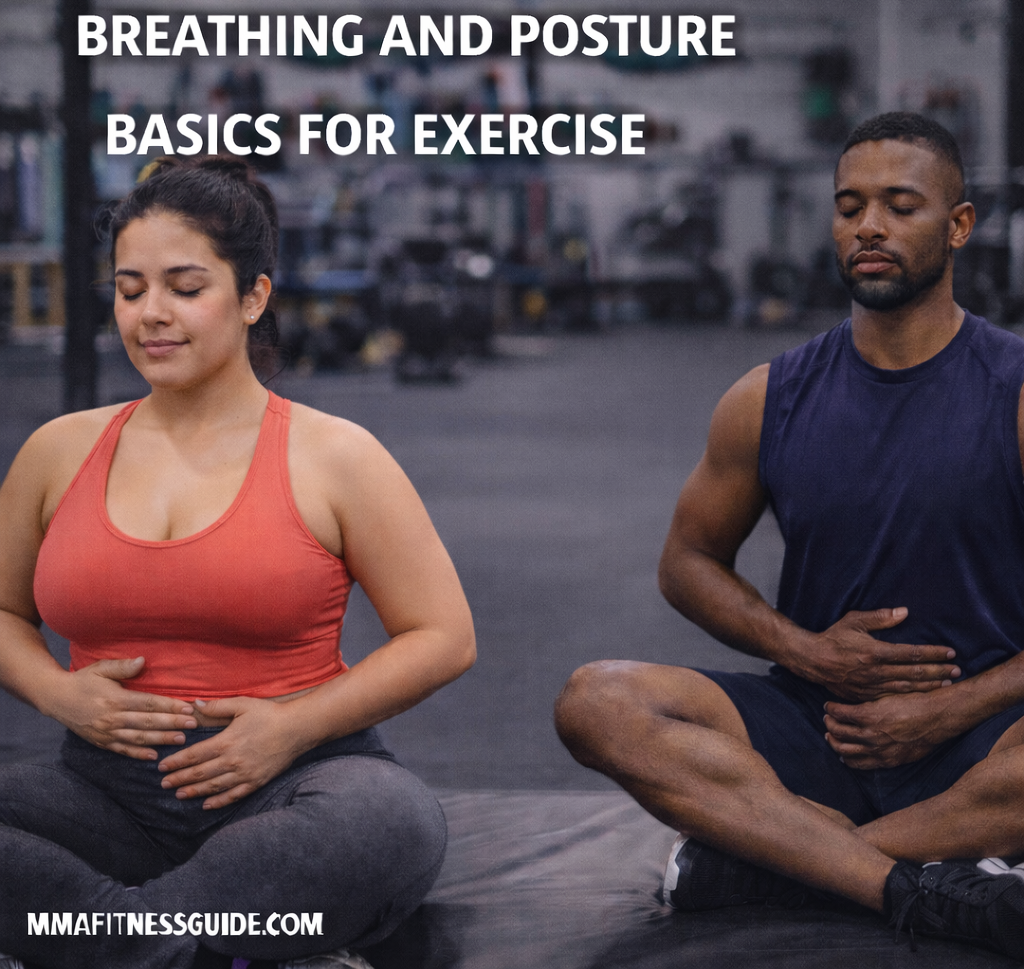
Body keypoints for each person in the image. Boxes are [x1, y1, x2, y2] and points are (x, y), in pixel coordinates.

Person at [554, 112, 1024, 959]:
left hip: (984, 735)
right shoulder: (769, 396)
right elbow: (687, 563)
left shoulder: (1017, 391)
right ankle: (908, 874)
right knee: (598, 700)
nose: (868, 226)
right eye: (849, 206)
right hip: (821, 725)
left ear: (959, 226)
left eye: (899, 205)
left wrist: (948, 708)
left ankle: (783, 859)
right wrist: (806, 653)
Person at [0, 156, 476, 969]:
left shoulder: (337, 455)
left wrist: (289, 728)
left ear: (254, 296)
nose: (151, 314)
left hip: (297, 785)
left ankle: (100, 944)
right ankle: (198, 944)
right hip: (104, 797)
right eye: (129, 288)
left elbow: (442, 635)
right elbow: (5, 614)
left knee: (389, 825)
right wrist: (59, 693)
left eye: (186, 288)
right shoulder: (58, 451)